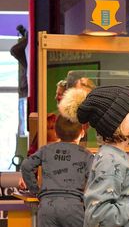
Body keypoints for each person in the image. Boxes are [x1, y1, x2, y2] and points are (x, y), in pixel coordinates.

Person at [64, 85, 129, 227]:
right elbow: (97, 216)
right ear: (115, 122)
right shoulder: (109, 160)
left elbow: (122, 211)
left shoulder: (116, 156)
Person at [21, 88, 94, 227]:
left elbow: (26, 166)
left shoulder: (46, 150)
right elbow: (93, 179)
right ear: (82, 132)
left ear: (56, 132)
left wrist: (36, 190)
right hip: (73, 207)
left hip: (46, 206)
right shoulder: (86, 155)